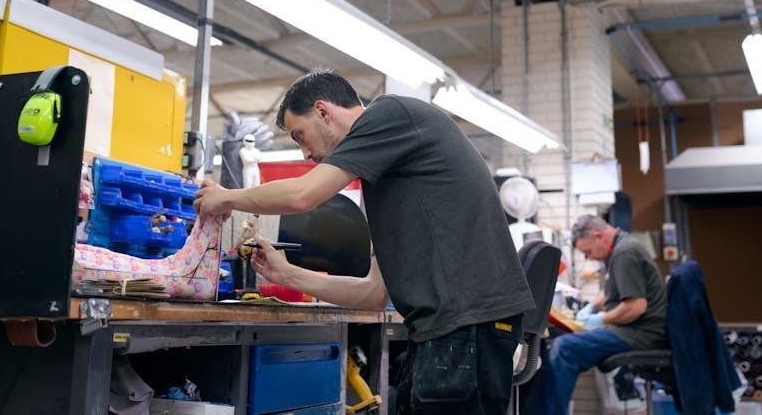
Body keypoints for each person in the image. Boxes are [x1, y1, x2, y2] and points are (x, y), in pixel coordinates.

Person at [195, 70, 535, 415]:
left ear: (323, 112)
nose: (305, 154)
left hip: (465, 330)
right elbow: (373, 293)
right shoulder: (390, 180)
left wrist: (227, 197)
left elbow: (303, 195)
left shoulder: (390, 114)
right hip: (449, 332)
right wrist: (288, 275)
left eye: (301, 136)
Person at [529, 214, 667, 415]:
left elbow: (636, 307)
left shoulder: (625, 253)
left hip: (642, 333)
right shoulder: (618, 250)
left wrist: (600, 318)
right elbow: (609, 290)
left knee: (565, 348)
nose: (589, 257)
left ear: (598, 235)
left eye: (588, 251)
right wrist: (591, 308)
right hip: (634, 330)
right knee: (556, 345)